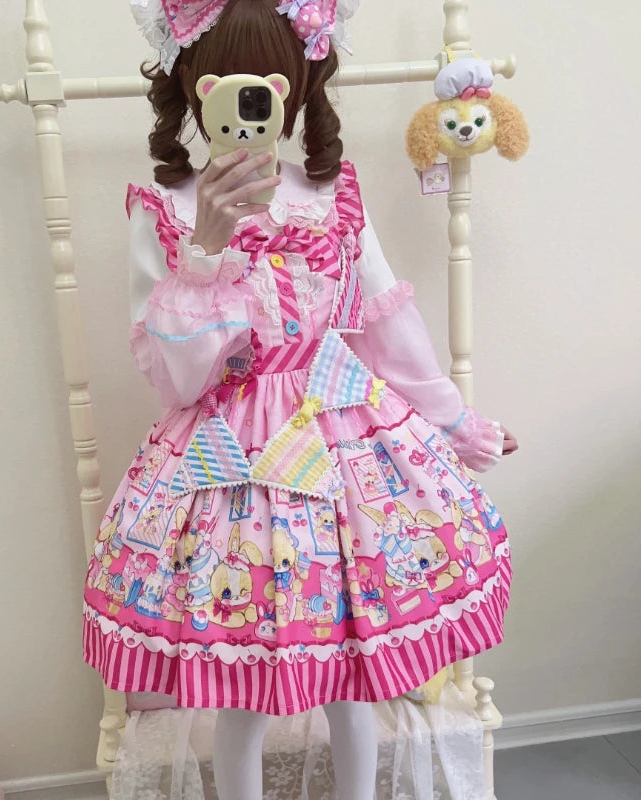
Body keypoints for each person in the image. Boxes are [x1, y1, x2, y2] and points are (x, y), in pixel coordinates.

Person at [83, 2, 518, 798]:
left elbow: (385, 323)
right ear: (193, 85)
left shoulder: (332, 195)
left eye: (269, 81)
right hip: (230, 466)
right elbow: (179, 381)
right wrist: (206, 252)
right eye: (223, 80)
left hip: (347, 442)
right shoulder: (166, 212)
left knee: (354, 681)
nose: (249, 102)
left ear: (296, 86)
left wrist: (456, 422)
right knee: (245, 696)